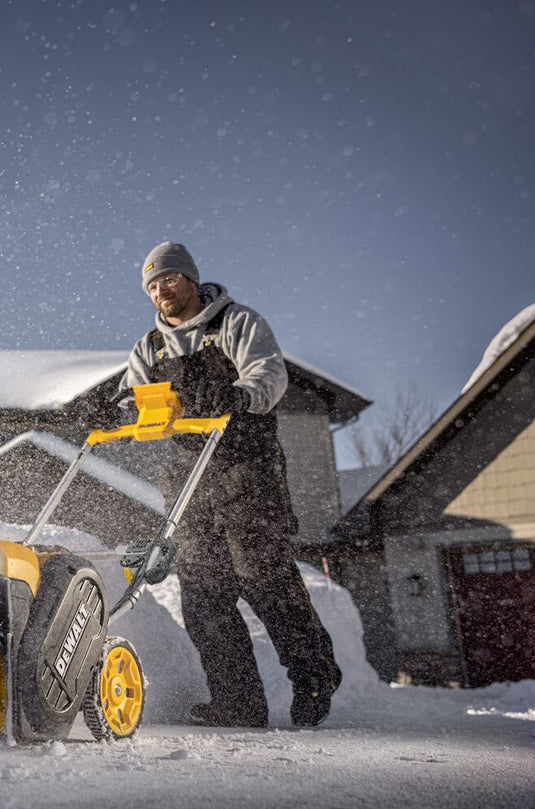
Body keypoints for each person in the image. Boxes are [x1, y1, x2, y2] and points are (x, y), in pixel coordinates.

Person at [119, 240, 340, 727]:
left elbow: (269, 375)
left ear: (191, 280)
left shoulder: (237, 323)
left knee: (265, 580)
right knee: (203, 594)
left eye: (169, 279)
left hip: (247, 467)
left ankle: (314, 679)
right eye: (152, 285)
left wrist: (233, 396)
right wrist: (129, 412)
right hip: (188, 475)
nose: (161, 290)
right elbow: (132, 401)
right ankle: (237, 703)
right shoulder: (148, 347)